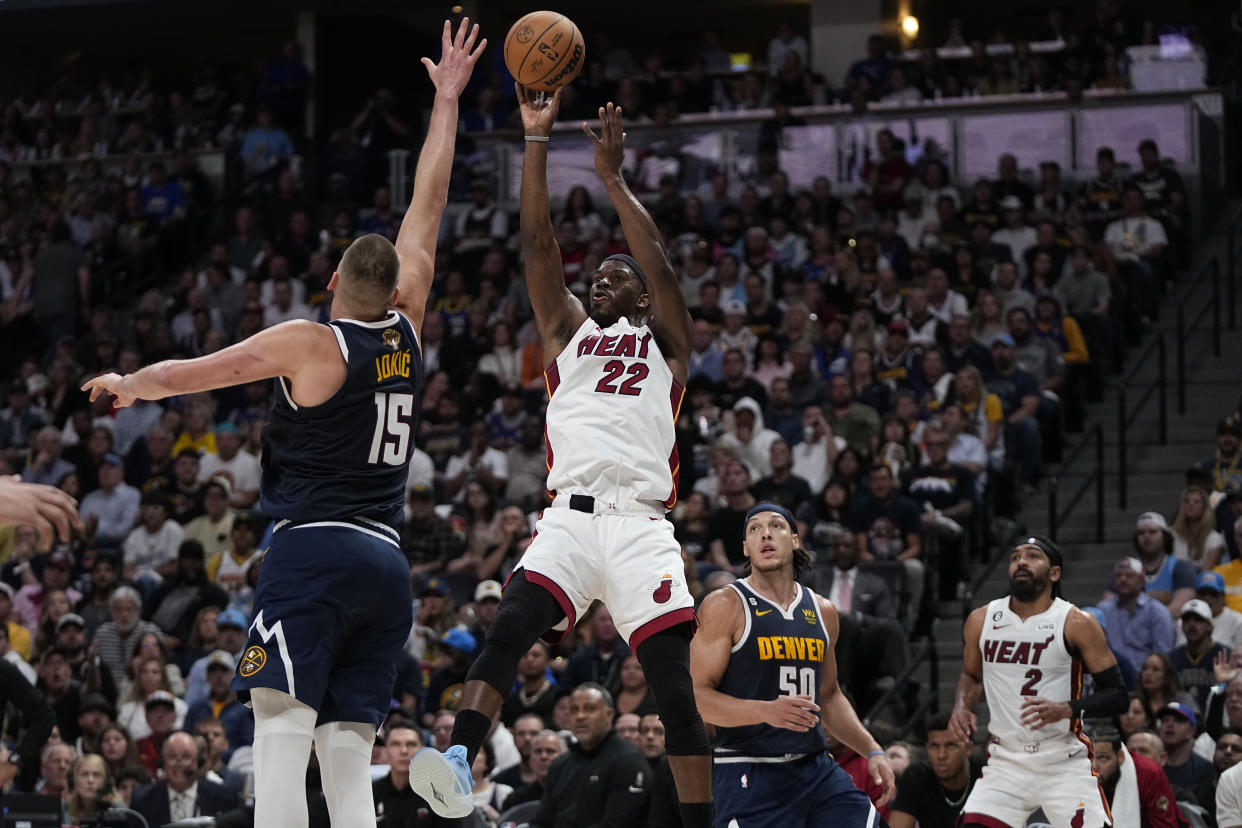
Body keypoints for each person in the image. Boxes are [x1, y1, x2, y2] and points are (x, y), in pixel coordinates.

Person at [83, 20, 485, 828]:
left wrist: (127, 383)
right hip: (388, 566)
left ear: (334, 277)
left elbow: (194, 374)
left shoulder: (312, 342)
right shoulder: (409, 322)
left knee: (278, 732)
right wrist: (446, 101)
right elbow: (429, 200)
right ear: (398, 284)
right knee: (346, 758)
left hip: (313, 551)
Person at [411, 96, 711, 827]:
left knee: (673, 688)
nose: (600, 280)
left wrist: (613, 180)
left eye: (617, 276)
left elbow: (663, 265)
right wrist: (536, 138)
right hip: (570, 519)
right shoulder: (567, 333)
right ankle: (458, 760)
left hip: (642, 527)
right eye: (596, 277)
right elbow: (537, 246)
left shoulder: (667, 346)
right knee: (509, 630)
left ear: (642, 296)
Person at [690, 502, 895, 827]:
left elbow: (828, 697)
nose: (765, 534)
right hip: (750, 770)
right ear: (746, 547)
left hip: (814, 769)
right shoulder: (725, 604)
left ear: (796, 539)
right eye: (754, 529)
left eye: (776, 526)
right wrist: (764, 711)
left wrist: (872, 750)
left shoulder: (823, 610)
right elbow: (698, 698)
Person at [949, 535, 1127, 827]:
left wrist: (1066, 708)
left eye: (1033, 556)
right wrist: (961, 706)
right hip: (1006, 759)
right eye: (1015, 557)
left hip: (1062, 759)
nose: (1021, 561)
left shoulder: (1076, 622)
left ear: (1054, 573)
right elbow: (970, 675)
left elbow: (1118, 694)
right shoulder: (981, 620)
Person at [527, 683, 651, 828]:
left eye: (589, 709)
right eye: (574, 710)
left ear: (609, 715)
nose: (580, 716)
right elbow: (541, 822)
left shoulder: (628, 760)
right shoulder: (560, 764)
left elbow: (615, 825)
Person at [888, 711, 983, 828]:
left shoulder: (984, 774)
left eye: (951, 745)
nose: (941, 755)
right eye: (934, 746)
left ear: (968, 748)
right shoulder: (917, 776)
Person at [130, 730, 239, 825]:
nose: (179, 764)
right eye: (172, 757)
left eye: (186, 757)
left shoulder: (224, 797)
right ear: (162, 762)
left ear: (198, 762)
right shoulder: (142, 799)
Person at [1089, 725, 1184, 828]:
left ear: (1120, 757)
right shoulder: (1079, 768)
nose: (1094, 766)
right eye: (1089, 757)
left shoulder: (1149, 773)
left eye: (1103, 758)